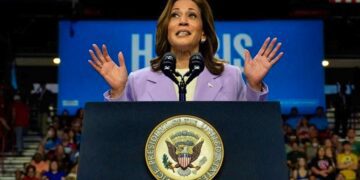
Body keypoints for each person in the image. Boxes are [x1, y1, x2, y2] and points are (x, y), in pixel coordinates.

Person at [88, 0, 283, 101]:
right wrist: (119, 90)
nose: (183, 20)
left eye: (192, 15)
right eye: (175, 15)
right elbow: (123, 131)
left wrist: (254, 86)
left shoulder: (230, 76)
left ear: (203, 32)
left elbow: (248, 127)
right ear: (166, 29)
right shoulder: (137, 80)